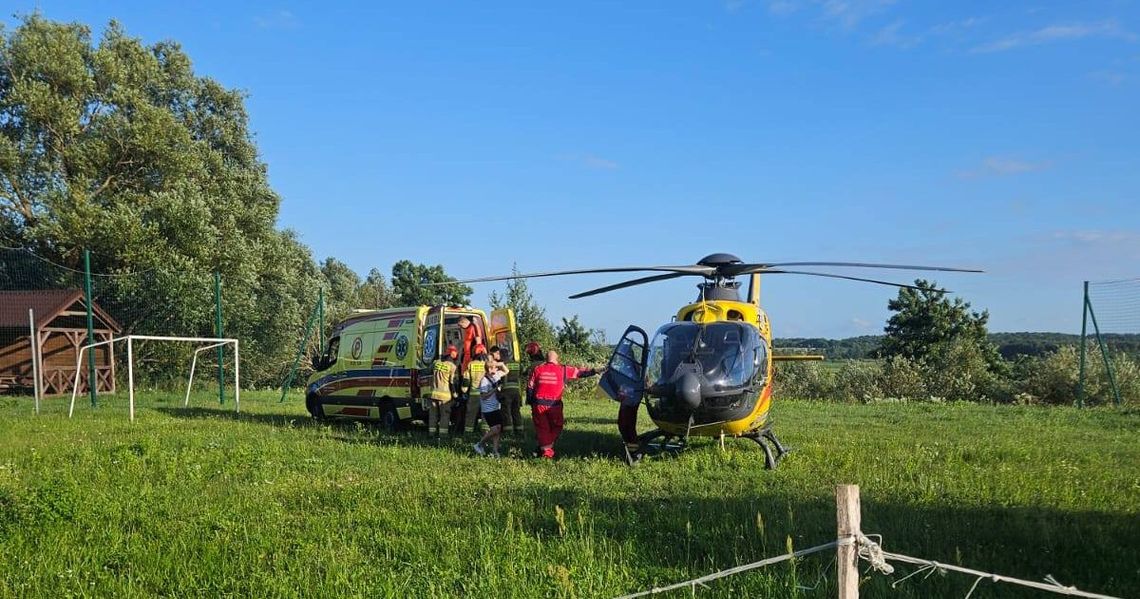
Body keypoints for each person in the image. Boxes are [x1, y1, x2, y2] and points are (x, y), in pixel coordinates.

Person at [527, 349, 603, 459]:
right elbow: (580, 373)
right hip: (554, 405)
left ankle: (543, 448)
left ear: (546, 359)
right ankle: (547, 452)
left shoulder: (538, 369)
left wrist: (531, 402)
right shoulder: (563, 369)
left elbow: (530, 387)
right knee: (557, 426)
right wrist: (595, 370)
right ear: (557, 359)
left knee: (542, 428)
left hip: (538, 404)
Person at [424, 345, 459, 436]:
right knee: (445, 416)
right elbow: (452, 382)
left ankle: (431, 434)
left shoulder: (436, 362)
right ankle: (443, 436)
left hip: (433, 394)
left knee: (433, 415)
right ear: (452, 354)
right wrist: (455, 394)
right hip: (445, 397)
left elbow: (427, 371)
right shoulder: (452, 366)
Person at [472, 365, 507, 457]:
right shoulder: (484, 381)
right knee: (495, 429)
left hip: (496, 407)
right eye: (495, 367)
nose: (497, 369)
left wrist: (500, 364)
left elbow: (506, 370)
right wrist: (495, 389)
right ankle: (479, 444)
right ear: (490, 369)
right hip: (488, 409)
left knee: (498, 429)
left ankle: (495, 452)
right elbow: (483, 396)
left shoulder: (496, 375)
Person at [489, 345, 523, 435]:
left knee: (506, 412)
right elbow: (520, 376)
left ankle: (508, 432)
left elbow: (497, 379)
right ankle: (519, 430)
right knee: (516, 411)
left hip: (506, 392)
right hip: (516, 391)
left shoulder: (502, 365)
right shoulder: (517, 364)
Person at [459, 344, 490, 434]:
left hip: (474, 394)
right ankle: (486, 432)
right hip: (486, 394)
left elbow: (466, 380)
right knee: (486, 414)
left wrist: (464, 391)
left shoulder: (471, 365)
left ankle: (468, 433)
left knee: (471, 414)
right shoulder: (487, 364)